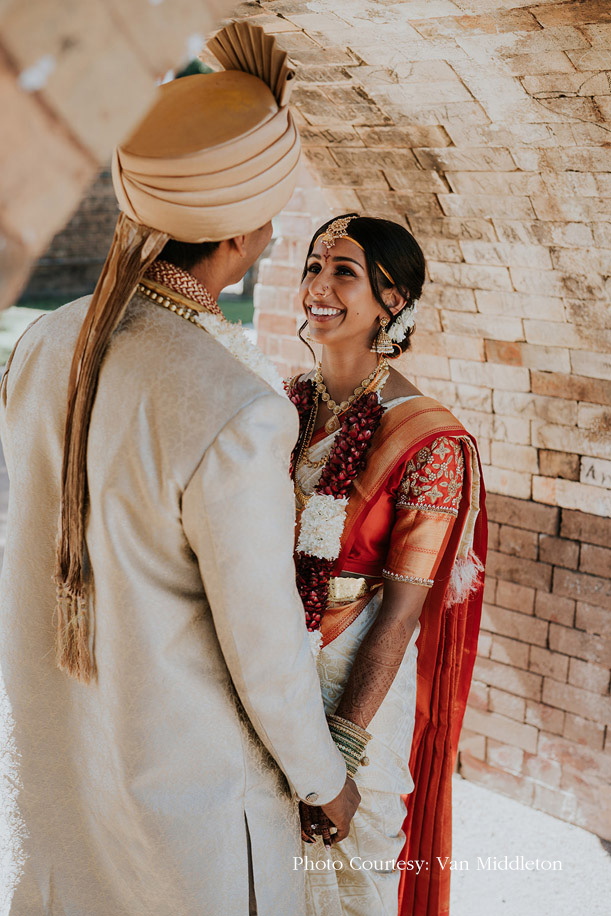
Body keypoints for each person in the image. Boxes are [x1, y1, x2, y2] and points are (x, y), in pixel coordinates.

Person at [0, 24, 360, 916]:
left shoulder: (44, 343)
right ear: (243, 233)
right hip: (190, 816)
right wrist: (324, 780)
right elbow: (262, 642)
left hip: (62, 786)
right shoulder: (238, 407)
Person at [285, 214, 488, 916]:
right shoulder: (285, 406)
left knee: (343, 873)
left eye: (344, 272)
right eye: (314, 266)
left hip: (354, 680)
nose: (319, 285)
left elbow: (401, 615)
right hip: (267, 659)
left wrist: (338, 755)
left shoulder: (428, 440)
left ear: (391, 300)